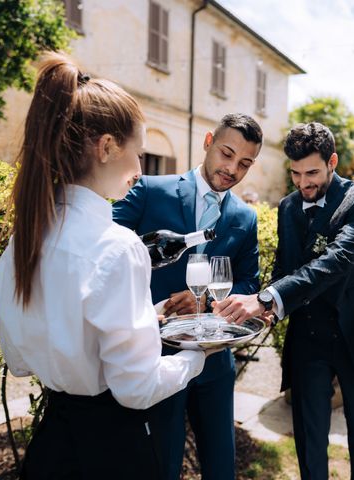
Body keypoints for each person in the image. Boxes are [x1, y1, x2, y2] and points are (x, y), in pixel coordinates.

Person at [0, 53, 206, 479]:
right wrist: (196, 355)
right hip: (111, 452)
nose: (140, 172)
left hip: (51, 446)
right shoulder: (117, 247)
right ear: (107, 147)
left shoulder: (23, 240)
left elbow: (20, 359)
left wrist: (150, 316)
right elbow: (136, 388)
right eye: (139, 153)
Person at [214, 122, 354, 479]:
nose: (304, 182)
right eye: (296, 173)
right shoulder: (288, 207)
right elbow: (286, 268)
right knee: (308, 438)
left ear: (332, 161)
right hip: (309, 338)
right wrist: (261, 315)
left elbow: (335, 261)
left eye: (313, 172)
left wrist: (267, 300)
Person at [112, 113, 262, 479]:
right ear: (208, 141)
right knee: (161, 461)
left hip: (215, 363)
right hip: (155, 356)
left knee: (220, 463)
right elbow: (106, 251)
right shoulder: (150, 189)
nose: (232, 169)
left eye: (244, 163)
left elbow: (248, 283)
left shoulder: (245, 216)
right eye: (227, 154)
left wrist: (208, 302)